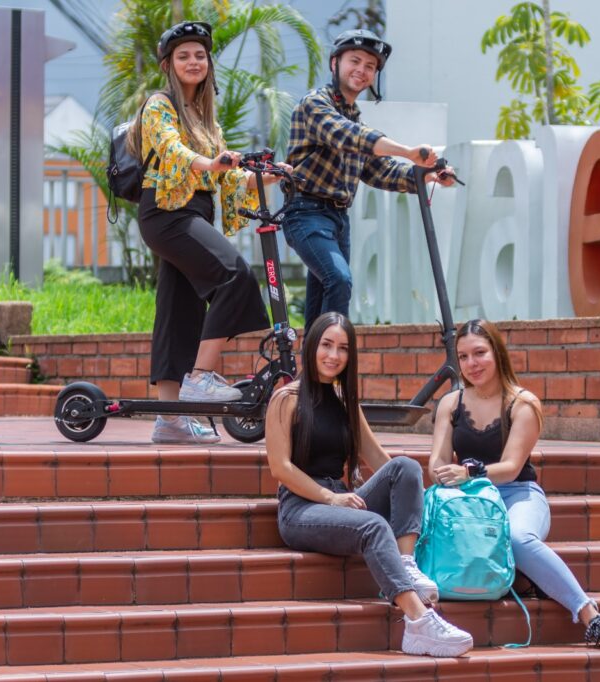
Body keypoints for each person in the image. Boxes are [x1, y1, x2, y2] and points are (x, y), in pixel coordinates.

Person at [265, 312, 474, 657]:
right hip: (302, 507)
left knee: (405, 466)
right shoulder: (286, 398)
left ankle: (405, 564)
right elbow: (280, 467)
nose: (334, 355)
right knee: (374, 527)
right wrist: (331, 498)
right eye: (327, 345)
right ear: (312, 346)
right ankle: (419, 623)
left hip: (342, 498)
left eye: (343, 348)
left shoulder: (346, 401)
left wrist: (425, 499)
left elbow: (379, 461)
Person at [429, 319, 600, 650]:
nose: (471, 364)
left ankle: (592, 617)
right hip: (469, 501)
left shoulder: (523, 404)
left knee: (516, 536)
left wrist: (467, 473)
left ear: (498, 353)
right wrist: (444, 474)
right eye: (463, 357)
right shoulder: (450, 404)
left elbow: (510, 469)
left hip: (517, 494)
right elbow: (436, 462)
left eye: (480, 353)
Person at [130, 21, 287, 444]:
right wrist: (207, 163)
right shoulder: (159, 105)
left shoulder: (206, 120)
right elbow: (169, 148)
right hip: (167, 212)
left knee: (178, 310)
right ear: (168, 64)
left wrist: (272, 177)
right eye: (184, 55)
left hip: (191, 211)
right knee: (234, 274)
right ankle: (200, 378)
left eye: (200, 55)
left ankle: (170, 420)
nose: (193, 61)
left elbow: (229, 182)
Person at [284, 29, 455, 329]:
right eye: (355, 61)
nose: (362, 71)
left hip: (338, 221)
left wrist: (428, 175)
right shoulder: (315, 104)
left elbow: (381, 171)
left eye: (370, 67)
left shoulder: (355, 117)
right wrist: (407, 151)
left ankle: (311, 373)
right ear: (335, 62)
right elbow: (349, 136)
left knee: (319, 312)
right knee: (338, 280)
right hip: (306, 213)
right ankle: (334, 362)